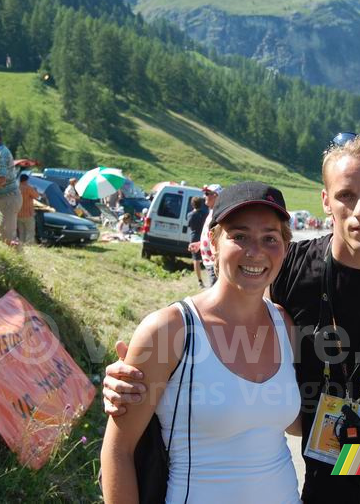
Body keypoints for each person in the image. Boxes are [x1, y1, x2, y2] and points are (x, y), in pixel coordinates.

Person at [104, 133, 360, 503]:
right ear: (326, 201)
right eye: (346, 194)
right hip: (334, 483)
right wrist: (137, 374)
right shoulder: (286, 273)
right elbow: (231, 337)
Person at [100, 182, 301, 504]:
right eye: (240, 236)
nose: (255, 251)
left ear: (285, 248)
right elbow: (117, 451)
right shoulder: (170, 330)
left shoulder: (283, 324)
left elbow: (294, 424)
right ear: (214, 241)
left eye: (270, 238)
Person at [188, 184, 222, 287]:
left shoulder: (218, 213)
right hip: (209, 262)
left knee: (213, 294)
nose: (204, 196)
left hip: (213, 262)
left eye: (207, 193)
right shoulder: (211, 212)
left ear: (216, 195)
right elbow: (211, 235)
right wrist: (200, 244)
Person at [187, 196, 208, 288]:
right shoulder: (205, 214)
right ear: (201, 204)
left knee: (196, 260)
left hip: (194, 237)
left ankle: (200, 280)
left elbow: (189, 225)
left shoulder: (190, 215)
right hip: (203, 237)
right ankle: (210, 276)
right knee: (206, 257)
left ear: (192, 204)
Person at [16, 173, 39, 245]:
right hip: (28, 213)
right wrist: (35, 190)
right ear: (26, 180)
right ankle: (29, 245)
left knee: (21, 232)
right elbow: (36, 196)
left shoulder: (16, 188)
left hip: (18, 213)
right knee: (30, 231)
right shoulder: (28, 188)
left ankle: (22, 245)